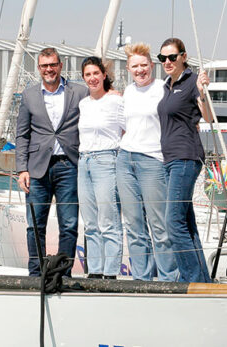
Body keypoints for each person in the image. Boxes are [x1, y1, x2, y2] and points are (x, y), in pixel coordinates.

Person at [15, 47, 89, 276]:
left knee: (68, 225)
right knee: (35, 225)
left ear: (60, 65)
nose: (49, 69)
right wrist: (21, 169)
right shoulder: (29, 95)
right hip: (37, 169)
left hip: (69, 166)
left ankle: (62, 273)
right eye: (44, 66)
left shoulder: (79, 92)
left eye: (53, 65)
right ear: (39, 69)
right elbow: (22, 134)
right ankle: (36, 273)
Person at [116, 43, 178, 282]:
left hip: (153, 161)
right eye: (135, 66)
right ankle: (141, 279)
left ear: (151, 65)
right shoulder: (128, 92)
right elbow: (124, 126)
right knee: (133, 226)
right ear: (129, 69)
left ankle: (168, 279)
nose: (140, 70)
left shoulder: (164, 89)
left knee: (159, 226)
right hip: (126, 159)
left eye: (144, 65)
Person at [156, 38, 213, 283]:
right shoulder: (167, 85)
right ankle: (202, 280)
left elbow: (208, 117)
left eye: (172, 57)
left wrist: (202, 91)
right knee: (187, 224)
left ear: (183, 56)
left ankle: (190, 280)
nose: (167, 62)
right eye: (163, 58)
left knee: (173, 223)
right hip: (170, 160)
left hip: (186, 157)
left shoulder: (191, 82)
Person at [77, 56, 125, 279]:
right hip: (83, 161)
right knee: (90, 223)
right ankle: (94, 272)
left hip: (106, 160)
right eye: (88, 74)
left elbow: (128, 130)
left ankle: (111, 273)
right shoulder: (84, 103)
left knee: (108, 220)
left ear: (104, 75)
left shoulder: (116, 101)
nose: (92, 78)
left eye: (96, 73)